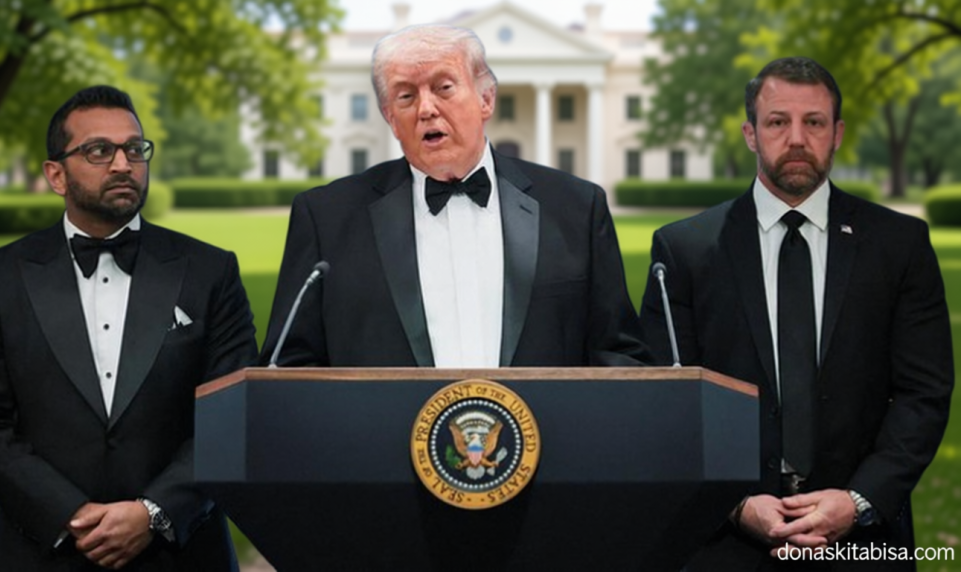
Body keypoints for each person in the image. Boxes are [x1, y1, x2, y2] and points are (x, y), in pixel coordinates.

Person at [640, 57, 953, 570]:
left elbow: (925, 392)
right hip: (723, 546)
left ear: (837, 134)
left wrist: (859, 500)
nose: (797, 138)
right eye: (777, 122)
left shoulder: (899, 244)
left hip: (866, 542)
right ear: (750, 134)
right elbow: (665, 399)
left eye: (814, 122)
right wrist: (735, 504)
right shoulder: (685, 250)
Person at [0, 86, 257, 571]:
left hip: (183, 554)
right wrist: (70, 515)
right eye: (99, 150)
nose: (122, 164)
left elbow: (235, 418)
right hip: (44, 553)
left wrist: (153, 513)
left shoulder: (210, 272)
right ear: (56, 174)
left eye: (134, 149)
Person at [260, 24, 650, 368]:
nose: (426, 109)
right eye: (405, 96)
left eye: (443, 88)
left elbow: (618, 356)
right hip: (380, 432)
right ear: (390, 118)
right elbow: (287, 367)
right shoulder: (326, 219)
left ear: (486, 100)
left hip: (547, 431)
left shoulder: (577, 209)